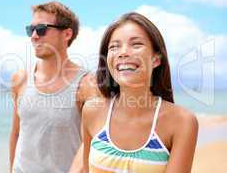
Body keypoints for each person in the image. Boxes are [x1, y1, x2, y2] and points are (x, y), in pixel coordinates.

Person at [82, 12, 199, 173]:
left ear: (156, 59)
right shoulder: (91, 111)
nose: (123, 52)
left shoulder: (182, 122)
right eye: (114, 46)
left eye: (136, 44)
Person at [9, 1, 99, 173]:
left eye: (41, 29)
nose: (34, 36)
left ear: (67, 34)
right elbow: (16, 133)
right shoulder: (20, 79)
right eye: (31, 29)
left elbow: (92, 143)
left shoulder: (87, 84)